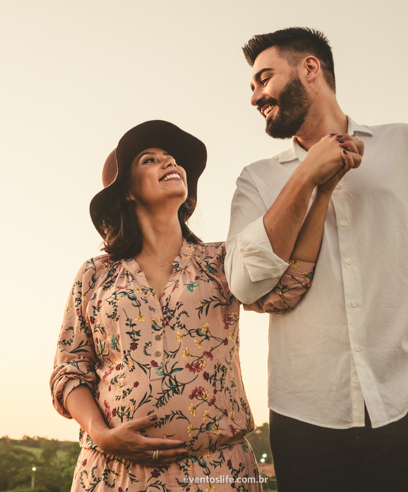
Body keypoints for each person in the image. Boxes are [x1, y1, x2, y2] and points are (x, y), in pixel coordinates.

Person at [225, 28, 408, 491]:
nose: (255, 96)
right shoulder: (257, 180)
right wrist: (307, 173)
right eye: (252, 86)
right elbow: (244, 284)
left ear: (310, 69)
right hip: (304, 414)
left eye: (263, 79)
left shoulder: (407, 145)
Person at [50, 120, 356, 491]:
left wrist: (320, 193)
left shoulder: (221, 261)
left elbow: (288, 286)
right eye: (150, 159)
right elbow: (70, 370)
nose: (169, 162)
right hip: (113, 474)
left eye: (172, 158)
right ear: (127, 192)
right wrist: (101, 433)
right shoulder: (95, 274)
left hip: (218, 473)